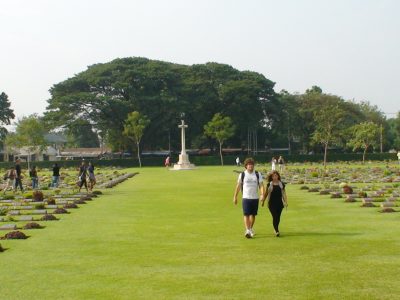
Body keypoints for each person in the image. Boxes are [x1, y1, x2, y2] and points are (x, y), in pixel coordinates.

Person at [233, 158, 265, 238]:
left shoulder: (257, 174)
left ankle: (250, 228)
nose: (250, 166)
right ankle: (247, 230)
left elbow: (261, 185)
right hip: (246, 197)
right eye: (249, 164)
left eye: (252, 164)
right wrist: (235, 196)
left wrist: (262, 194)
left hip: (255, 198)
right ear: (246, 166)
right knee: (246, 214)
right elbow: (238, 186)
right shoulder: (242, 175)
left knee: (253, 215)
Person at [262, 170, 288, 237]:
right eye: (273, 176)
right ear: (271, 177)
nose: (275, 177)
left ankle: (275, 228)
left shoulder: (281, 184)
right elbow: (266, 194)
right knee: (275, 216)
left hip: (280, 203)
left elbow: (284, 193)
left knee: (278, 217)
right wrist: (263, 201)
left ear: (278, 176)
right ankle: (276, 231)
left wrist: (286, 202)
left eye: (276, 175)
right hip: (271, 203)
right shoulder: (269, 184)